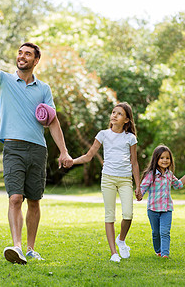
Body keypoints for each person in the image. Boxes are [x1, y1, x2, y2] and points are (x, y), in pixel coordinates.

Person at [0, 20, 73, 264]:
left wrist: (63, 151)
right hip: (13, 148)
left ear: (35, 61)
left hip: (38, 149)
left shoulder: (44, 88)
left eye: (27, 54)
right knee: (15, 198)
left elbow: (53, 121)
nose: (22, 56)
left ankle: (31, 248)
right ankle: (17, 247)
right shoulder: (5, 81)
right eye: (20, 53)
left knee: (34, 200)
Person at [69, 102, 140, 262]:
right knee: (110, 215)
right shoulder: (103, 134)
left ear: (127, 120)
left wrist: (138, 186)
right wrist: (72, 161)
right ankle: (113, 253)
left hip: (125, 180)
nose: (114, 115)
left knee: (128, 214)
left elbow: (134, 163)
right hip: (108, 178)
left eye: (119, 114)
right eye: (113, 112)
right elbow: (88, 156)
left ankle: (121, 240)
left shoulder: (130, 138)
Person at [136, 145, 185, 258]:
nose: (165, 160)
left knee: (165, 232)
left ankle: (165, 254)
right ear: (156, 159)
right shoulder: (150, 175)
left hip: (167, 209)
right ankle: (158, 251)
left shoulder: (169, 175)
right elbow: (143, 187)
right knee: (156, 233)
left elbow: (179, 185)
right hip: (153, 209)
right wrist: (139, 194)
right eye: (162, 158)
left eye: (167, 158)